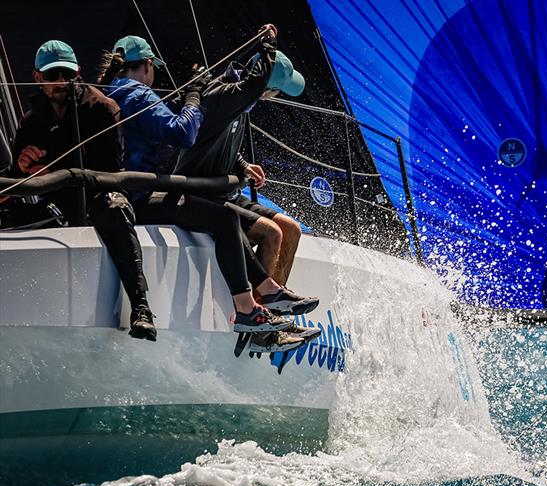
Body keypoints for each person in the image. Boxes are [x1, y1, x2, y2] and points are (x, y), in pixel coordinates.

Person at [99, 35, 299, 344]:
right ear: (148, 66)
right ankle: (252, 309)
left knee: (268, 227)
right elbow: (181, 133)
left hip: (129, 193)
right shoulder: (137, 94)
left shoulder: (114, 92)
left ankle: (266, 302)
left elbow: (164, 124)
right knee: (227, 220)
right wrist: (193, 95)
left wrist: (241, 164)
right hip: (136, 197)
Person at [6, 40, 157, 340]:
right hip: (56, 204)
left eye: (66, 74)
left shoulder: (102, 108)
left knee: (115, 207)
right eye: (52, 76)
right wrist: (23, 169)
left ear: (77, 71)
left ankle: (141, 306)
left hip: (98, 198)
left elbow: (111, 174)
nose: (61, 82)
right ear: (37, 77)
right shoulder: (31, 121)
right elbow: (14, 182)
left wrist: (51, 173)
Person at [173, 24, 318, 322]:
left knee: (290, 228)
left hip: (228, 192)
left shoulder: (243, 105)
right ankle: (257, 315)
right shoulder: (228, 97)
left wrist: (242, 165)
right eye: (278, 92)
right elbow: (208, 128)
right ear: (267, 88)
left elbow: (215, 139)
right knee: (271, 232)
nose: (276, 98)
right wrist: (268, 44)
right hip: (203, 195)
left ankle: (276, 305)